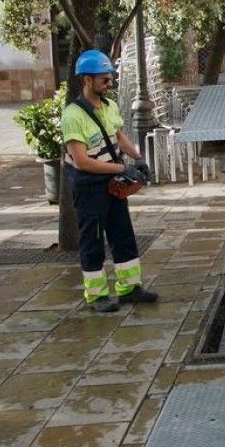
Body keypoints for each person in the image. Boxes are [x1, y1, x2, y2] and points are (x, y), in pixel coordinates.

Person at [62, 49, 159, 313]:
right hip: (88, 186)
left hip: (111, 181)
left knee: (122, 233)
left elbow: (119, 137)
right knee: (92, 240)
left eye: (111, 79)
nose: (110, 84)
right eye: (104, 80)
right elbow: (81, 161)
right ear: (87, 79)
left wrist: (138, 159)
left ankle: (129, 289)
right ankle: (96, 296)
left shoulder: (109, 106)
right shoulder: (73, 115)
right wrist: (121, 167)